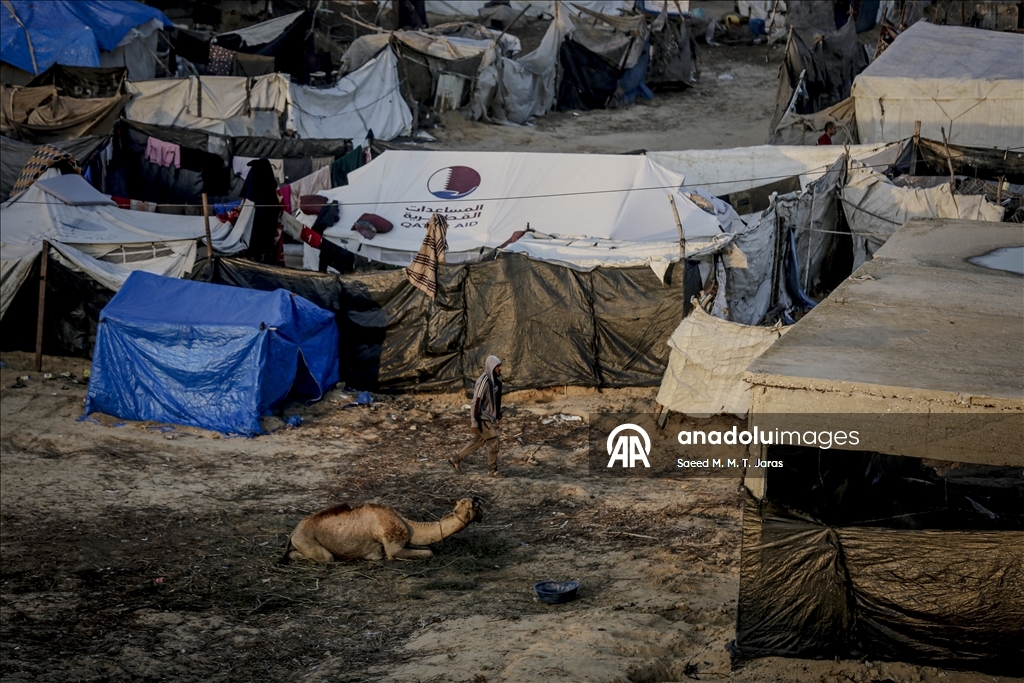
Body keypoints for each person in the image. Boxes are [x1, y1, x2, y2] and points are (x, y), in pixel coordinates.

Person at [449, 356, 504, 477]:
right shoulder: (483, 381)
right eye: (497, 366)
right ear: (491, 367)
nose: (500, 368)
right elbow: (476, 402)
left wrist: (497, 413)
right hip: (482, 417)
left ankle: (456, 458)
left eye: (500, 366)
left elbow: (496, 398)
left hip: (488, 416)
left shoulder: (496, 380)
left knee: (478, 441)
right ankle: (492, 470)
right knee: (494, 442)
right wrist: (474, 421)